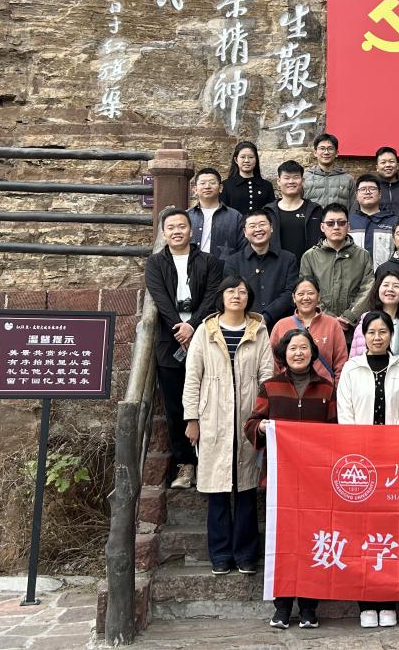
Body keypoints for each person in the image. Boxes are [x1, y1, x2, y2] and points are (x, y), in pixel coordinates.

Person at [245, 327, 336, 629]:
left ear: (313, 353)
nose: (299, 353)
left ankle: (309, 607)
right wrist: (261, 428)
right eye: (293, 348)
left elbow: (336, 430)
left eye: (304, 348)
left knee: (314, 542)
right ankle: (282, 606)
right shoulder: (270, 387)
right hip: (278, 479)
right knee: (281, 543)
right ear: (283, 354)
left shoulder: (326, 389)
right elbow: (252, 423)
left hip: (316, 481)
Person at [182, 277, 273, 575]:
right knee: (217, 489)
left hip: (249, 419)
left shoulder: (259, 330)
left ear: (249, 298)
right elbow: (193, 377)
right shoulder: (205, 331)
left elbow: (267, 377)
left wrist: (263, 415)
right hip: (213, 418)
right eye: (231, 291)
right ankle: (220, 554)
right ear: (221, 296)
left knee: (246, 489)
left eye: (242, 292)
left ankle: (246, 554)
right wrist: (192, 418)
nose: (236, 296)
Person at [337, 310, 399, 629]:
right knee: (362, 533)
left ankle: (388, 600)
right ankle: (366, 601)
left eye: (383, 331)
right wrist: (358, 450)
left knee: (390, 532)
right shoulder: (351, 369)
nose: (377, 337)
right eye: (372, 332)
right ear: (363, 336)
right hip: (360, 463)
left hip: (393, 461)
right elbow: (345, 415)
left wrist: (395, 450)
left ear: (391, 335)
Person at [144, 207, 222, 490]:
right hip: (170, 341)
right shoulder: (155, 263)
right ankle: (185, 464)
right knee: (176, 406)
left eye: (182, 226)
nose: (177, 231)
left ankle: (209, 462)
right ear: (164, 233)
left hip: (205, 338)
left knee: (209, 400)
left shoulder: (210, 262)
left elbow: (213, 296)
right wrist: (179, 327)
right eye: (171, 228)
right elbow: (161, 299)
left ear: (191, 230)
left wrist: (193, 325)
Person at [298, 203, 374, 330]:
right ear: (322, 227)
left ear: (348, 226)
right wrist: (328, 319)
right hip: (319, 325)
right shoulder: (310, 256)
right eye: (330, 223)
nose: (336, 227)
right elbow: (307, 291)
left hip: (353, 327)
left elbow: (367, 289)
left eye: (341, 223)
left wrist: (349, 317)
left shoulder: (363, 255)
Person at [224, 211, 299, 331]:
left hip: (281, 326)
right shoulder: (233, 262)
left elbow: (290, 293)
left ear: (271, 227)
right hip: (244, 326)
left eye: (262, 224)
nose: (258, 229)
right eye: (252, 226)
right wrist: (251, 319)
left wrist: (266, 316)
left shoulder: (288, 259)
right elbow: (232, 295)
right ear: (245, 232)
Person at [348, 269, 399, 381]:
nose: (390, 289)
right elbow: (352, 365)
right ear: (377, 290)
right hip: (370, 388)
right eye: (385, 285)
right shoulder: (364, 324)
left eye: (396, 286)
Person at [268, 277, 349, 384]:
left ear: (318, 296)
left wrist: (337, 389)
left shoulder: (332, 325)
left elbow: (341, 362)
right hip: (288, 389)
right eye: (300, 294)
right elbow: (273, 363)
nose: (306, 298)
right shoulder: (281, 325)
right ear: (293, 298)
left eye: (310, 293)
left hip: (324, 389)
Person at [265, 160, 323, 259]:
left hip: (309, 266)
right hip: (277, 266)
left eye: (296, 177)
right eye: (286, 178)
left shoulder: (315, 210)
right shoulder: (268, 212)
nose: (291, 181)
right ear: (278, 181)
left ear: (302, 180)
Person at [189, 167, 245, 259]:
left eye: (212, 182)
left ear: (220, 188)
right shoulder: (187, 216)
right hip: (192, 266)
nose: (207, 186)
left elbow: (243, 248)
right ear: (195, 189)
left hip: (225, 266)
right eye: (202, 183)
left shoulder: (235, 216)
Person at [348, 173, 396, 268]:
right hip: (354, 275)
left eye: (372, 188)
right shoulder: (347, 222)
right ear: (356, 195)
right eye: (363, 189)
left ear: (380, 194)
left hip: (385, 275)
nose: (368, 192)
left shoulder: (393, 221)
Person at [222, 140, 276, 216]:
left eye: (251, 157)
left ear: (256, 159)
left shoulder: (266, 185)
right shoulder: (226, 185)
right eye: (242, 157)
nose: (247, 160)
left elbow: (271, 213)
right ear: (236, 160)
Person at [304, 133, 354, 209]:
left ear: (336, 153)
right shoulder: (305, 178)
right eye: (322, 148)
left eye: (330, 148)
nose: (326, 152)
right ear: (315, 153)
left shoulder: (348, 179)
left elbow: (353, 208)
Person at [374, 146, 399, 218]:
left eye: (391, 161)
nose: (388, 165)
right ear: (377, 168)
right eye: (383, 162)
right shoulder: (371, 188)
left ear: (397, 166)